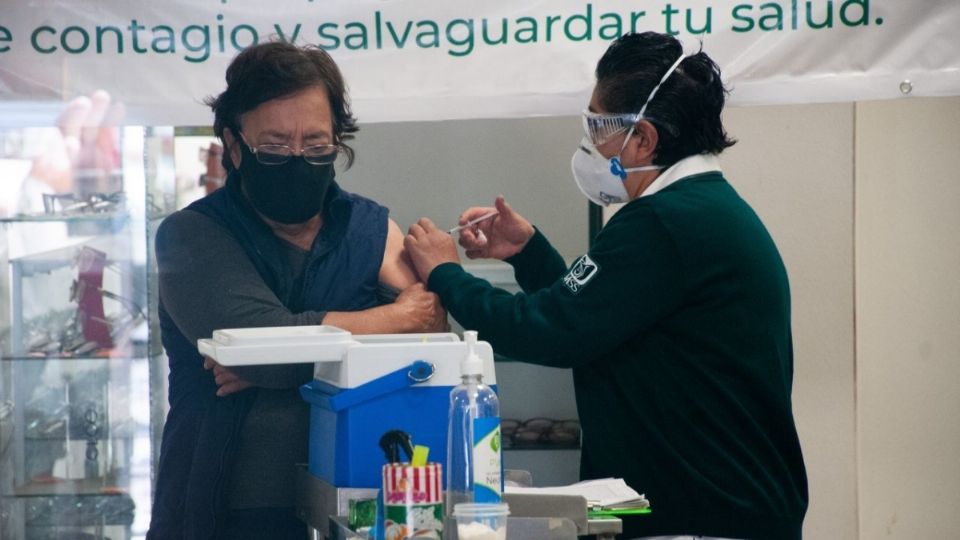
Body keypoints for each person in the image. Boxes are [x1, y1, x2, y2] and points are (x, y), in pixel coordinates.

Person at [404, 32, 808, 540]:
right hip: (726, 512)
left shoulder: (663, 223)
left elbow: (549, 330)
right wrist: (527, 252)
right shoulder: (702, 211)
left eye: (598, 126)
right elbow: (594, 319)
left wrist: (445, 274)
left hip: (702, 519)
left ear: (643, 139)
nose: (591, 144)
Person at [148, 41, 447, 539]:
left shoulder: (366, 226)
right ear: (234, 145)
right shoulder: (191, 236)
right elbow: (258, 345)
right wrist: (390, 321)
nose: (297, 158)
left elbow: (434, 336)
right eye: (275, 145)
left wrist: (282, 356)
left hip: (359, 506)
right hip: (223, 508)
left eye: (315, 144)